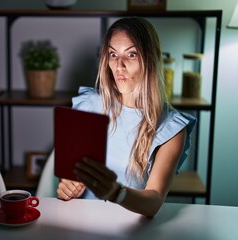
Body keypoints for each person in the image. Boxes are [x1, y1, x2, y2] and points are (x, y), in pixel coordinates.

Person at [56, 16, 196, 217]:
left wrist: (115, 193)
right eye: (113, 54)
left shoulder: (171, 127)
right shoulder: (88, 106)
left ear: (150, 59)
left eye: (131, 55)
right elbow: (70, 180)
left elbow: (154, 201)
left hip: (132, 229)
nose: (119, 65)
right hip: (82, 222)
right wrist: (67, 188)